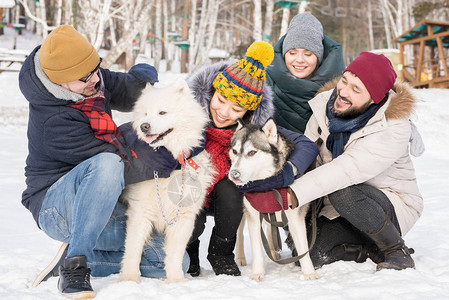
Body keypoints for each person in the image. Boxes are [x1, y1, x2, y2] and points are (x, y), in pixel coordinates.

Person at [19, 25, 187, 298]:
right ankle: (75, 266)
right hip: (57, 207)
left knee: (166, 260)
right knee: (108, 163)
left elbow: (126, 91)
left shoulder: (88, 79)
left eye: (96, 70)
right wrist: (164, 158)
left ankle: (78, 254)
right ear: (59, 82)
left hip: (99, 203)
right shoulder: (52, 121)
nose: (94, 80)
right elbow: (119, 162)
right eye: (84, 79)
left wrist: (142, 79)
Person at [184, 41, 319, 277]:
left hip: (223, 198)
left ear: (247, 113)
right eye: (221, 100)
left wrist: (288, 171)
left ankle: (221, 253)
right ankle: (189, 250)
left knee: (232, 187)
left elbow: (306, 145)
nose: (224, 112)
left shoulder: (253, 130)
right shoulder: (186, 115)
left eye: (236, 109)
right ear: (212, 92)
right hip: (185, 194)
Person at [279, 52, 422, 271]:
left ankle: (395, 250)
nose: (343, 92)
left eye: (356, 90)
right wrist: (282, 181)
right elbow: (308, 157)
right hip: (338, 203)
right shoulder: (323, 109)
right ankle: (369, 248)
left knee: (343, 190)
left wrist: (293, 193)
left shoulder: (392, 128)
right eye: (344, 81)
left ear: (374, 99)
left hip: (388, 203)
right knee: (308, 255)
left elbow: (346, 170)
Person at [266, 12, 346, 134]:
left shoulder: (338, 89)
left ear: (319, 57)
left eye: (308, 54)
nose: (299, 60)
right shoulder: (265, 83)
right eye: (292, 53)